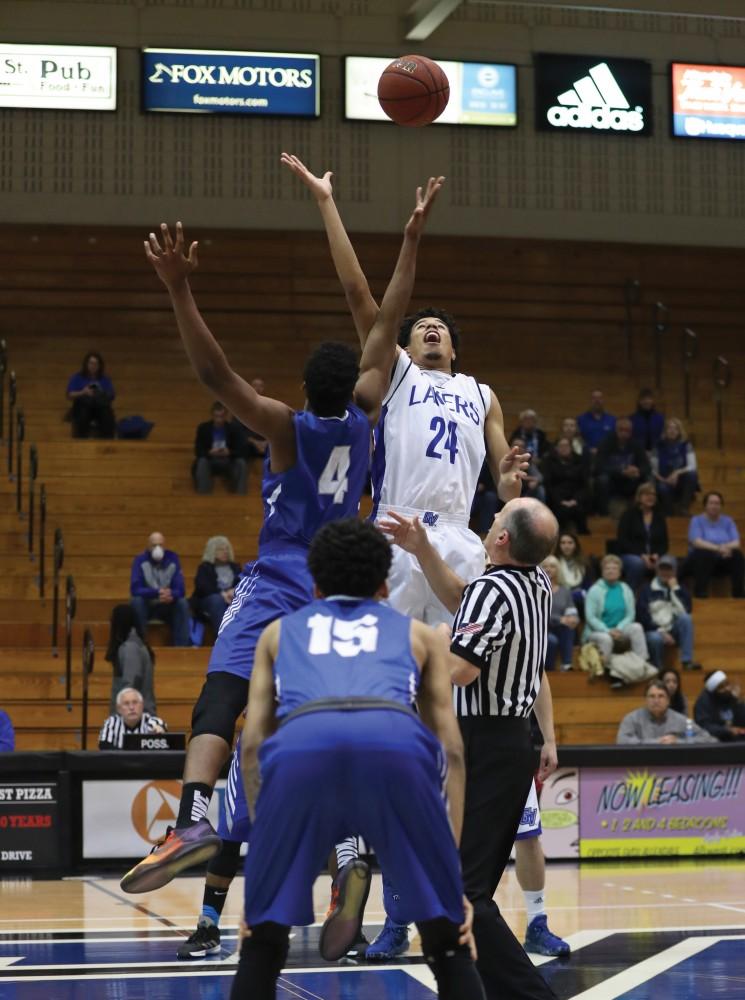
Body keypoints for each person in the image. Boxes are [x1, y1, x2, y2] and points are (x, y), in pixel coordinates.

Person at [121, 177, 443, 895]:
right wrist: (411, 237)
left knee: (222, 698)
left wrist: (178, 289)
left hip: (277, 578)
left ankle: (195, 822)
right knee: (334, 714)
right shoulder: (366, 411)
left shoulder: (284, 428)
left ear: (301, 388)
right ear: (356, 381)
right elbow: (385, 317)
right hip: (339, 586)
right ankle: (354, 850)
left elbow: (213, 373)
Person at [282, 152, 529, 958]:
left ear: (456, 346)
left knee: (441, 725)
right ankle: (359, 861)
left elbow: (502, 467)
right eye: (421, 321)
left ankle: (423, 903)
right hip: (394, 535)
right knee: (378, 705)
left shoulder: (481, 391)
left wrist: (516, 479)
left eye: (440, 325)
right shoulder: (389, 376)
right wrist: (333, 204)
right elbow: (362, 295)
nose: (428, 326)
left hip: (457, 540)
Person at [227, 519, 484, 1000]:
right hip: (393, 744)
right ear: (385, 586)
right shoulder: (421, 635)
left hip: (303, 745)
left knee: (261, 941)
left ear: (316, 586)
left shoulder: (278, 633)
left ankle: (266, 932)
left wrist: (268, 854)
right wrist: (446, 867)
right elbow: (451, 749)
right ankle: (444, 937)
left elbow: (253, 745)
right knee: (449, 940)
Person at [381, 498, 566, 994]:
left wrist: (436, 638)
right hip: (511, 740)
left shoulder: (493, 587)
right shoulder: (536, 582)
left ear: (503, 538)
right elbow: (469, 597)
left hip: (484, 741)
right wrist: (423, 553)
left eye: (499, 518)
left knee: (463, 889)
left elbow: (461, 667)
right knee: (464, 886)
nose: (491, 521)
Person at [582, 554, 649, 669]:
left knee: (637, 627)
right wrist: (607, 631)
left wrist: (619, 628)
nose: (611, 571)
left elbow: (630, 614)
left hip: (620, 629)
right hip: (598, 632)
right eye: (607, 568)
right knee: (606, 639)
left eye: (614, 568)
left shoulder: (625, 589)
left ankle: (641, 665)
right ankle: (606, 671)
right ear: (602, 572)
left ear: (619, 572)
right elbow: (590, 617)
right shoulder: (594, 590)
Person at [636, 556, 698, 672]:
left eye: (669, 569)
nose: (665, 572)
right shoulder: (647, 590)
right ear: (657, 570)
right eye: (662, 569)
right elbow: (642, 616)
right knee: (655, 638)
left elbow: (687, 610)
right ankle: (658, 668)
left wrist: (675, 589)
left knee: (686, 618)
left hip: (673, 629)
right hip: (655, 630)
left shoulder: (681, 589)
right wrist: (661, 631)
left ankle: (686, 661)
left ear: (675, 571)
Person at [129, 532, 191, 647]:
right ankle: (140, 646)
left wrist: (171, 594)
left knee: (182, 603)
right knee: (136, 601)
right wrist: (157, 592)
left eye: (160, 545)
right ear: (148, 546)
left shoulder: (173, 558)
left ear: (164, 545)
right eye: (154, 545)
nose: (157, 548)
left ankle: (182, 647)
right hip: (147, 605)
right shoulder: (140, 560)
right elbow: (135, 589)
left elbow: (181, 589)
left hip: (167, 605)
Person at [682, 492, 745, 598]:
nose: (714, 506)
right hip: (699, 561)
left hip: (722, 559)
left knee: (737, 555)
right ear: (705, 505)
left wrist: (725, 549)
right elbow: (696, 542)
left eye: (717, 503)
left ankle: (739, 595)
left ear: (721, 506)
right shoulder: (696, 520)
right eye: (711, 503)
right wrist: (719, 548)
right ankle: (700, 594)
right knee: (704, 553)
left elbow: (736, 542)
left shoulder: (728, 521)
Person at [616, 680, 714, 745]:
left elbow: (708, 739)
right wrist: (656, 742)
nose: (656, 700)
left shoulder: (681, 720)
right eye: (652, 696)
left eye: (661, 696)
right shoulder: (632, 719)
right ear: (646, 699)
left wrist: (678, 742)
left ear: (668, 700)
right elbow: (622, 741)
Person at [615, 482, 669, 592]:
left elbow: (665, 543)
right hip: (632, 554)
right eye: (647, 494)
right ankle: (630, 595)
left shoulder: (659, 516)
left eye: (653, 494)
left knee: (669, 562)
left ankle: (663, 595)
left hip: (654, 555)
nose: (651, 497)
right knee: (637, 564)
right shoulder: (628, 515)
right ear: (639, 497)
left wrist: (656, 555)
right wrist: (642, 556)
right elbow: (622, 541)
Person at [593, 416, 651, 516]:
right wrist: (621, 471)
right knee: (602, 480)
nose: (624, 433)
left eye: (627, 430)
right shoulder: (605, 443)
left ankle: (643, 512)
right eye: (621, 430)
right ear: (616, 430)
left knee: (647, 479)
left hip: (631, 480)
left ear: (631, 431)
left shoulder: (636, 444)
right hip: (613, 481)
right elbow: (599, 466)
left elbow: (647, 466)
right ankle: (604, 514)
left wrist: (638, 471)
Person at [105, 604, 157, 714]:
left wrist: (121, 716)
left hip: (134, 720)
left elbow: (130, 685)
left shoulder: (130, 648)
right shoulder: (136, 644)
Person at [190, 536, 242, 635]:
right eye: (221, 549)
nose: (225, 551)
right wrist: (222, 594)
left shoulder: (235, 567)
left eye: (227, 549)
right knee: (217, 600)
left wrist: (234, 591)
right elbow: (202, 588)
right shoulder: (205, 568)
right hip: (209, 601)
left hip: (231, 598)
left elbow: (243, 584)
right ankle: (223, 637)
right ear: (212, 551)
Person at [193, 402, 248, 495]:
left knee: (241, 463)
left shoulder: (234, 429)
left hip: (228, 460)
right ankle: (203, 494)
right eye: (216, 416)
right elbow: (198, 450)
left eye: (221, 416)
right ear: (212, 415)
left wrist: (229, 452)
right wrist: (209, 452)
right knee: (202, 462)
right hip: (210, 459)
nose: (218, 419)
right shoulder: (203, 428)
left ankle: (240, 495)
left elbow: (242, 450)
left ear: (225, 415)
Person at [542, 436, 590, 534]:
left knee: (579, 511)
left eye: (566, 445)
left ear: (571, 448)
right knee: (561, 512)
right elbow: (548, 485)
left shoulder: (580, 461)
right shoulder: (549, 462)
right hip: (557, 499)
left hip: (576, 498)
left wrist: (575, 500)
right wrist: (560, 501)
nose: (564, 448)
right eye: (561, 446)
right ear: (556, 448)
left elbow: (584, 484)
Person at [653, 417, 699, 515]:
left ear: (679, 431)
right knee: (662, 487)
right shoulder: (658, 446)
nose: (672, 431)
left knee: (692, 474)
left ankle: (684, 508)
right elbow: (653, 470)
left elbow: (692, 466)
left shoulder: (686, 445)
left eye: (675, 428)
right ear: (665, 431)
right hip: (664, 480)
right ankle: (669, 513)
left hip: (682, 480)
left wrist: (677, 473)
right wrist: (663, 479)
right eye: (669, 428)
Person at [542, 555, 579, 672]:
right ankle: (548, 671)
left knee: (569, 627)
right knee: (552, 640)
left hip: (559, 628)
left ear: (558, 570)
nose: (548, 569)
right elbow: (537, 614)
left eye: (552, 566)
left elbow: (571, 609)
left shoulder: (564, 591)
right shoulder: (536, 589)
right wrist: (559, 619)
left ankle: (566, 664)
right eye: (545, 566)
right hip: (541, 629)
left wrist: (573, 618)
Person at [66, 351, 116, 439]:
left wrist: (101, 392)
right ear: (86, 364)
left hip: (99, 407)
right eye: (91, 363)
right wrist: (83, 392)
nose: (93, 366)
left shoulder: (104, 379)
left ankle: (107, 441)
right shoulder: (77, 377)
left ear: (99, 365)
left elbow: (111, 395)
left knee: (107, 413)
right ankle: (81, 441)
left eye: (96, 364)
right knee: (82, 412)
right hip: (83, 406)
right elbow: (70, 394)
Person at [98, 688, 167, 750]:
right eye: (126, 703)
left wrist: (159, 729)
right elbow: (104, 745)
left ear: (142, 705)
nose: (131, 707)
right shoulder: (112, 722)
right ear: (119, 709)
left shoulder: (149, 720)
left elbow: (159, 725)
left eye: (135, 702)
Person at [694, 670, 745, 742]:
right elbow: (704, 726)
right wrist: (726, 730)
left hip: (737, 740)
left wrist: (738, 701)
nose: (727, 688)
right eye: (721, 687)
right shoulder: (703, 702)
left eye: (727, 684)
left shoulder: (732, 697)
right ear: (713, 690)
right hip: (714, 742)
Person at [555, 531, 595, 616]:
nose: (566, 546)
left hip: (579, 600)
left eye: (570, 543)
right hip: (558, 599)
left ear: (575, 545)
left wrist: (579, 594)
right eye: (563, 543)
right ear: (559, 545)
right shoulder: (553, 563)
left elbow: (588, 587)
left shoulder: (585, 564)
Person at [231, 377, 269, 461]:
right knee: (240, 446)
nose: (258, 388)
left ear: (264, 389)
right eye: (255, 385)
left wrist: (266, 442)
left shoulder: (271, 408)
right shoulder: (240, 407)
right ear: (250, 387)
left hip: (266, 443)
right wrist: (254, 442)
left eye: (261, 386)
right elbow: (236, 430)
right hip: (248, 443)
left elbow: (275, 428)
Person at [576, 389, 615, 454]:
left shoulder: (612, 420)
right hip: (587, 457)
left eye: (600, 398)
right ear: (590, 401)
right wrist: (588, 450)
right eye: (594, 398)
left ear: (603, 401)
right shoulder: (581, 419)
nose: (597, 401)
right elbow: (577, 439)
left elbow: (615, 440)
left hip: (607, 456)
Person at [510, 435, 545, 501]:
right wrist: (530, 478)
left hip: (524, 489)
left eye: (521, 446)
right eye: (516, 445)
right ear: (510, 447)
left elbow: (539, 477)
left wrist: (535, 481)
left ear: (525, 450)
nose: (518, 448)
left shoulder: (528, 462)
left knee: (540, 489)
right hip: (508, 488)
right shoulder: (506, 460)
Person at [629, 387, 664, 452]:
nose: (646, 401)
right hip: (638, 453)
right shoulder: (632, 419)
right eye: (643, 399)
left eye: (649, 399)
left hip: (656, 453)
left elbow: (663, 436)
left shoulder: (660, 418)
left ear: (653, 401)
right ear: (639, 401)